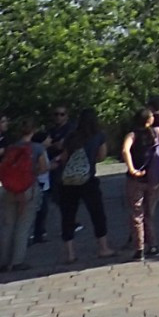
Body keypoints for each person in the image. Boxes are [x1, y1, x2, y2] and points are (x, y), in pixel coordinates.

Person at [54, 106, 113, 264]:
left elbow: (65, 158)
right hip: (88, 180)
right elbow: (101, 157)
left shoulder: (71, 136)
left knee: (68, 216)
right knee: (97, 213)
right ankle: (103, 247)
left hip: (68, 182)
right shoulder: (98, 136)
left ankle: (70, 253)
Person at [0, 118, 46, 273]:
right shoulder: (37, 148)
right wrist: (32, 172)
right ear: (33, 131)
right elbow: (44, 167)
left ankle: (3, 262)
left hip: (9, 189)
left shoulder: (11, 148)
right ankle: (17, 261)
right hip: (28, 188)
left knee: (8, 225)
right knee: (23, 225)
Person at [120, 106, 159, 261]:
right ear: (149, 120)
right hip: (153, 177)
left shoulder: (132, 135)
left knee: (137, 213)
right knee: (149, 212)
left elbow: (125, 150)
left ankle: (139, 248)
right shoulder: (157, 131)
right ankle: (154, 245)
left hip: (136, 179)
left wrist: (132, 169)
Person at [31, 105, 73, 246]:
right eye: (56, 114)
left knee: (61, 196)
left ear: (66, 116)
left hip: (62, 165)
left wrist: (56, 148)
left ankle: (68, 222)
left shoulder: (70, 129)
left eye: (61, 114)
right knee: (48, 200)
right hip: (49, 168)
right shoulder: (50, 130)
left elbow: (63, 146)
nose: (58, 117)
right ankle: (39, 231)